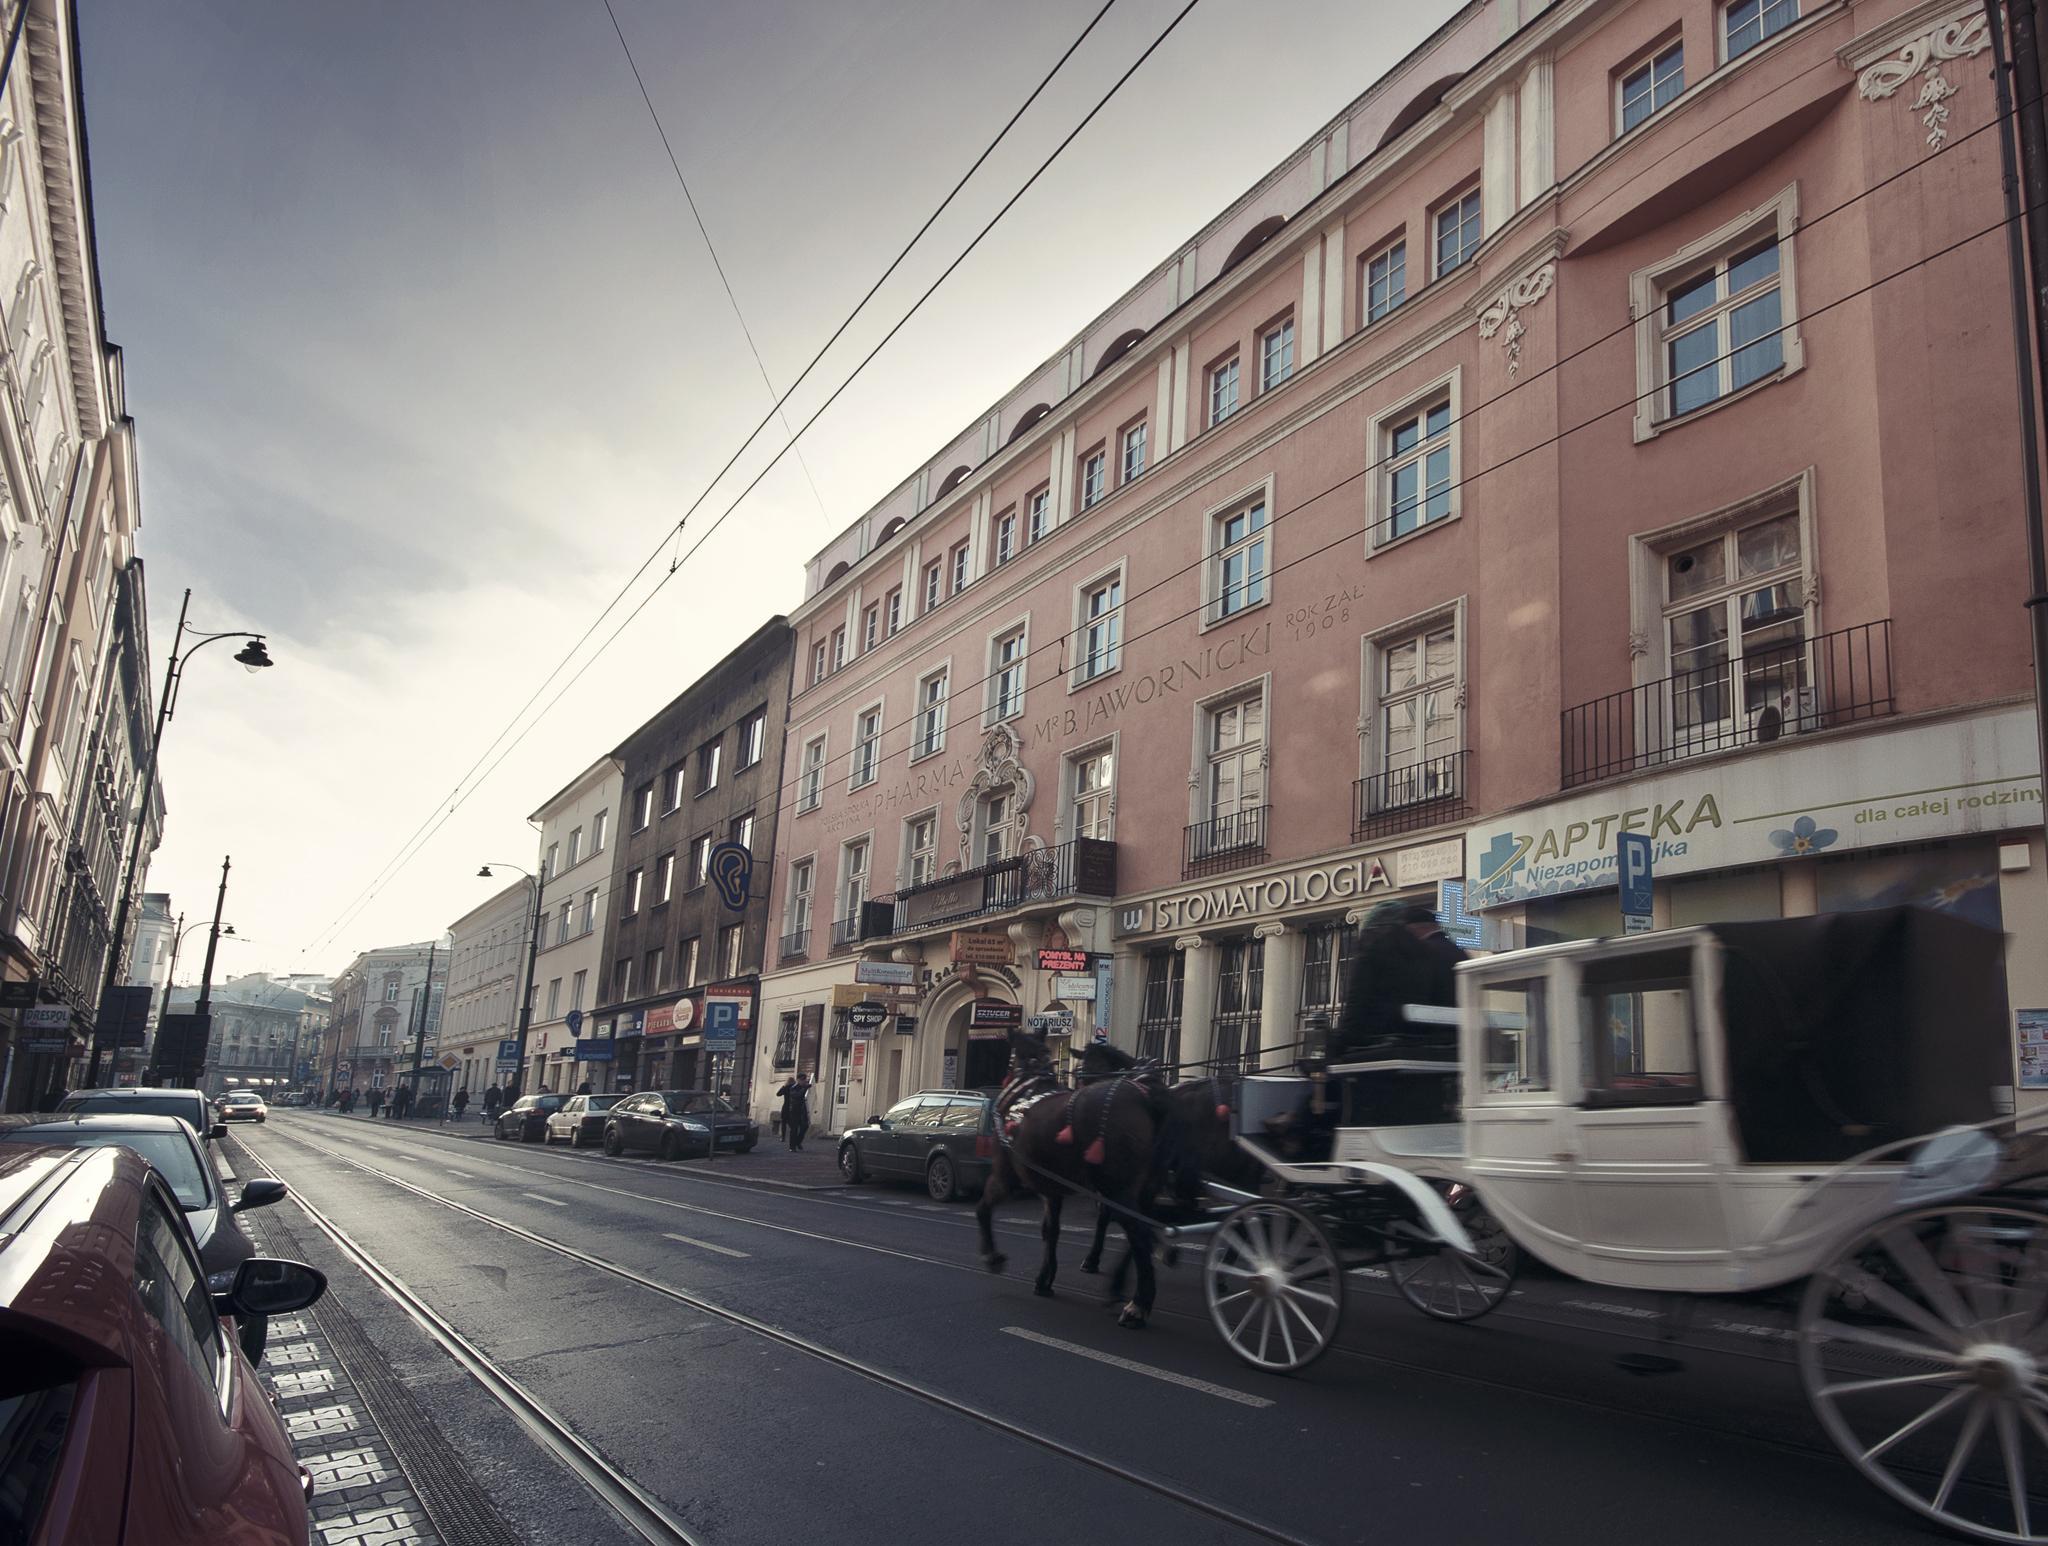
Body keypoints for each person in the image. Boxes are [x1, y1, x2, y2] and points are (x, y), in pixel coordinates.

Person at [1331, 899, 1468, 1062]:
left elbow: (1357, 1005)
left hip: (1384, 1049)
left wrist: (1337, 1046)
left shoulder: (1374, 951)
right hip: (1440, 1046)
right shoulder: (1432, 952)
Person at [777, 1074, 812, 1152]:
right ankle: (792, 1147)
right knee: (794, 1129)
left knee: (805, 1126)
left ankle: (798, 1142)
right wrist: (805, 1088)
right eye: (802, 1080)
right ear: (798, 1080)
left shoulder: (805, 1087)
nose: (804, 1081)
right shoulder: (793, 1088)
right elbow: (798, 1095)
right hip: (794, 1111)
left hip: (803, 1111)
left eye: (805, 1080)